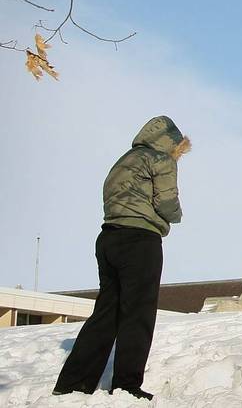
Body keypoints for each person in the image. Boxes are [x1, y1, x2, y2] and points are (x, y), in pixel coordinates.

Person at [53, 116, 190, 401]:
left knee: (106, 312)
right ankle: (127, 385)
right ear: (171, 142)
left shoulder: (124, 161)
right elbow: (166, 202)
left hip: (109, 237)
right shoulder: (161, 160)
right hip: (140, 239)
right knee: (138, 312)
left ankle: (73, 382)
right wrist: (176, 216)